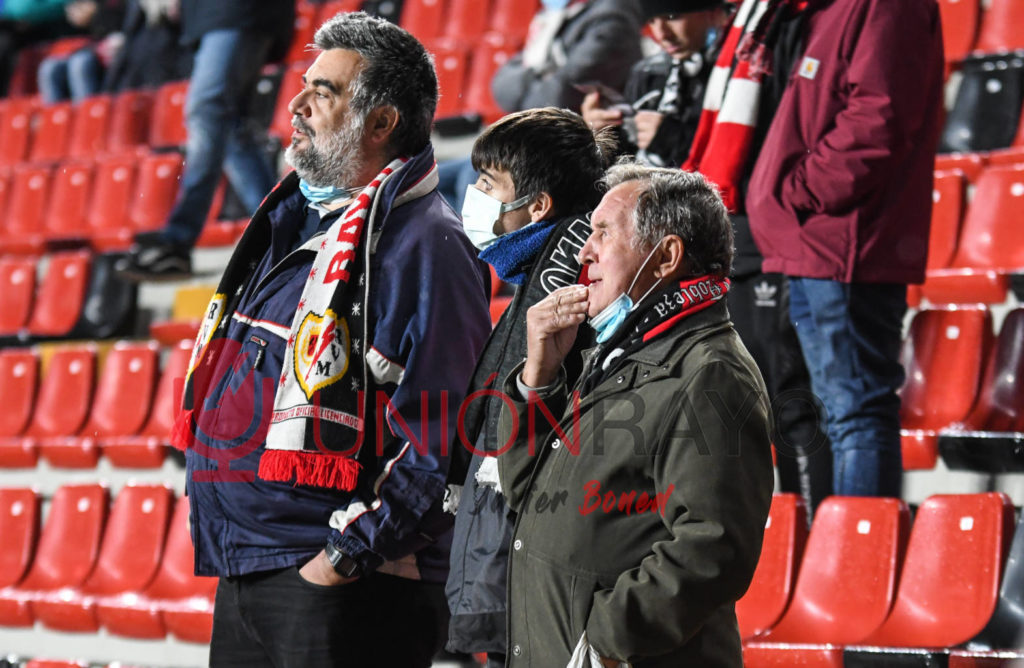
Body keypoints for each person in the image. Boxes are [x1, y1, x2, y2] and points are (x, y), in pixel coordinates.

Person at [170, 12, 492, 667]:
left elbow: (447, 439)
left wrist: (345, 558)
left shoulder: (428, 246)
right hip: (255, 567)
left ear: (381, 125)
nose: (297, 102)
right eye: (305, 84)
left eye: (325, 91)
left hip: (343, 587)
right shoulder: (296, 221)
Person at [496, 163, 774, 666]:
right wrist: (538, 377)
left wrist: (606, 640)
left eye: (603, 232)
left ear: (666, 256)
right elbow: (526, 493)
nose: (585, 251)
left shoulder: (712, 373)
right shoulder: (617, 351)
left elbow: (713, 547)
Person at [746, 0, 944, 498]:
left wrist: (803, 190)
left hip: (845, 241)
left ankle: (862, 565)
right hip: (817, 239)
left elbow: (880, 115)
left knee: (858, 411)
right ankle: (847, 557)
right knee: (841, 411)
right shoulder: (830, 9)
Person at [444, 107, 614, 668]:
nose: (474, 194)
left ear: (537, 206)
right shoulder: (545, 265)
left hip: (526, 533)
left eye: (489, 184)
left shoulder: (564, 275)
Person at [684, 0, 831, 515]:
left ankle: (815, 538)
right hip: (732, 230)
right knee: (741, 405)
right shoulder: (747, 28)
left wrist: (774, 199)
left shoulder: (792, 21)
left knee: (788, 400)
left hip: (768, 231)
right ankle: (778, 543)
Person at [116, 0, 294, 280]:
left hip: (235, 12)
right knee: (232, 129)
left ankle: (178, 239)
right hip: (222, 16)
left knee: (208, 110)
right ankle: (280, 228)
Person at [436, 0, 643, 212]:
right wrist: (541, 73)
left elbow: (557, 96)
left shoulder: (613, 16)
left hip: (568, 150)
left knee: (473, 180)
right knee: (432, 182)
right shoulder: (557, 18)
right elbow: (501, 86)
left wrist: (534, 73)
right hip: (534, 142)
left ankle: (474, 243)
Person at [581, 0, 729, 167]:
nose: (661, 35)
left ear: (714, 14)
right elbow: (622, 160)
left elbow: (733, 154)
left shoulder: (732, 73)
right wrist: (603, 133)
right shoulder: (648, 72)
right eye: (651, 21)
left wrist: (670, 137)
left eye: (672, 17)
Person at [36, 0, 124, 103]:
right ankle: (58, 117)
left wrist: (96, 14)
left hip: (116, 45)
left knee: (80, 63)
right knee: (49, 68)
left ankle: (88, 115)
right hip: (88, 43)